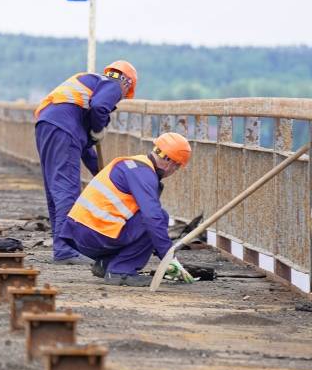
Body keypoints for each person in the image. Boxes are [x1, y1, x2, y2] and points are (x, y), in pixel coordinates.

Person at [58, 132, 195, 287]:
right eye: (177, 167)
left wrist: (161, 251)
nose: (174, 172)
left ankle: (107, 264)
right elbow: (152, 218)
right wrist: (169, 257)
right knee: (158, 218)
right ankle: (121, 271)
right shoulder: (144, 174)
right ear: (170, 162)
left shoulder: (134, 165)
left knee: (149, 221)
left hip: (79, 233)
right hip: (96, 234)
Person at [34, 60, 138, 264]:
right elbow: (100, 107)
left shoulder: (90, 86)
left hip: (48, 125)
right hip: (62, 128)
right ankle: (65, 249)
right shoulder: (113, 83)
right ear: (127, 83)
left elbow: (85, 149)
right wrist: (99, 128)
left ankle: (61, 246)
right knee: (66, 189)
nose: (120, 97)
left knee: (55, 190)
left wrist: (102, 175)